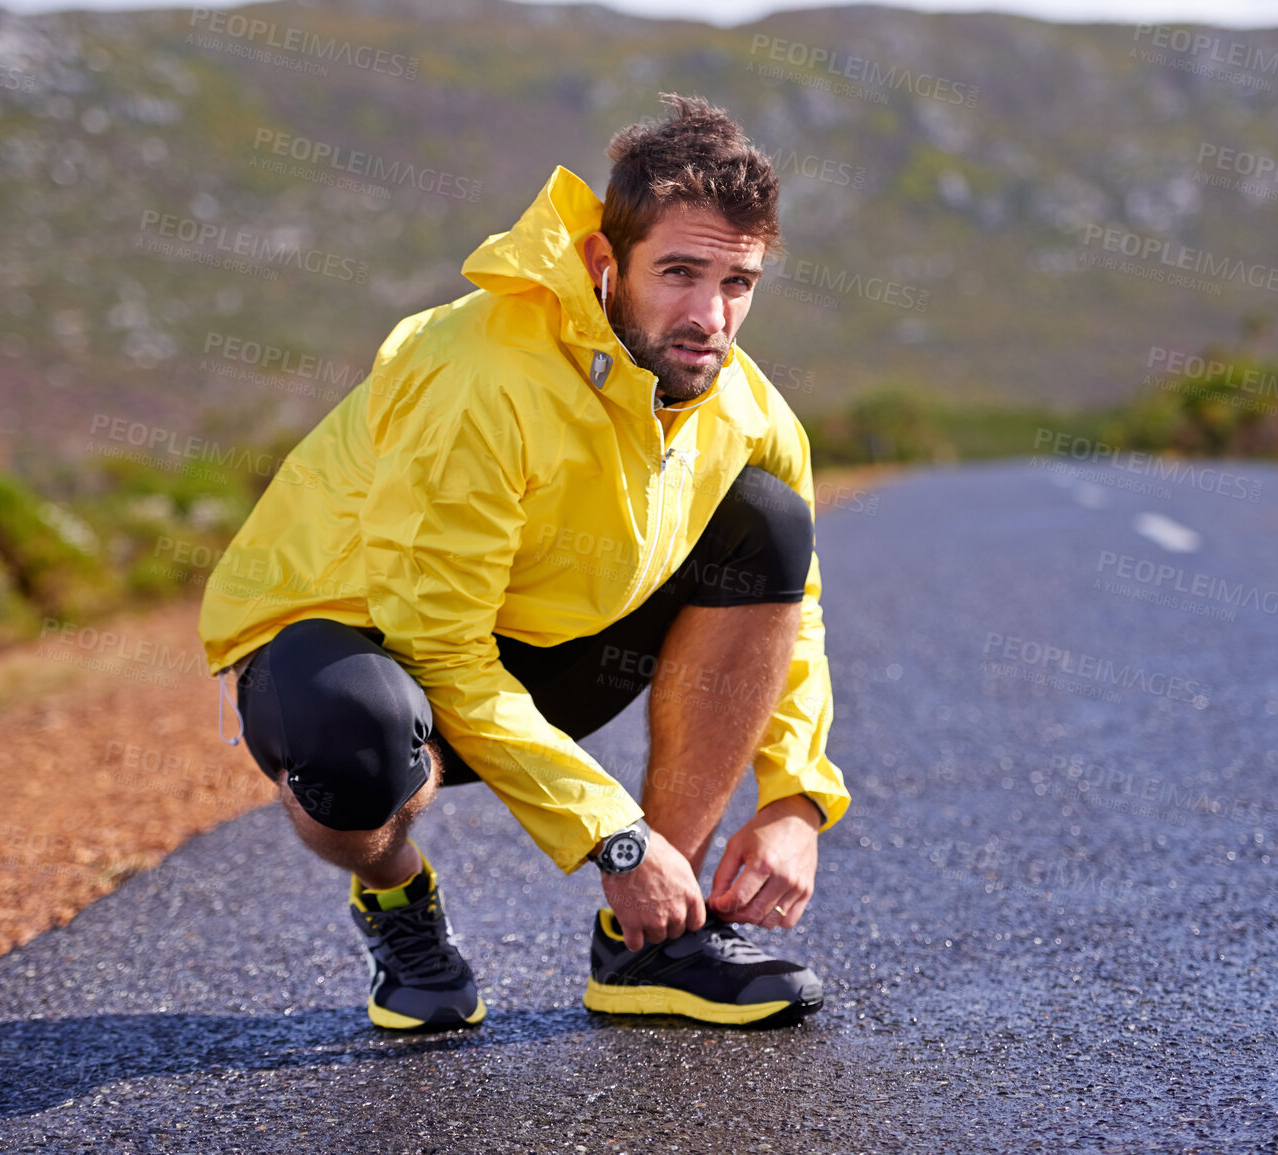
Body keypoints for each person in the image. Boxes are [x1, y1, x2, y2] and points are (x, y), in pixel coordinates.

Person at [198, 94, 850, 1031]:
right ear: (602, 263)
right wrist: (613, 838)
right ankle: (397, 899)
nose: (711, 315)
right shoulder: (481, 377)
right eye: (678, 271)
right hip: (354, 646)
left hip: (537, 640)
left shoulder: (743, 406)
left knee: (770, 519)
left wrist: (796, 797)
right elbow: (437, 643)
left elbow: (798, 604)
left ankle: (650, 947)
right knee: (359, 743)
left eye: (737, 281)